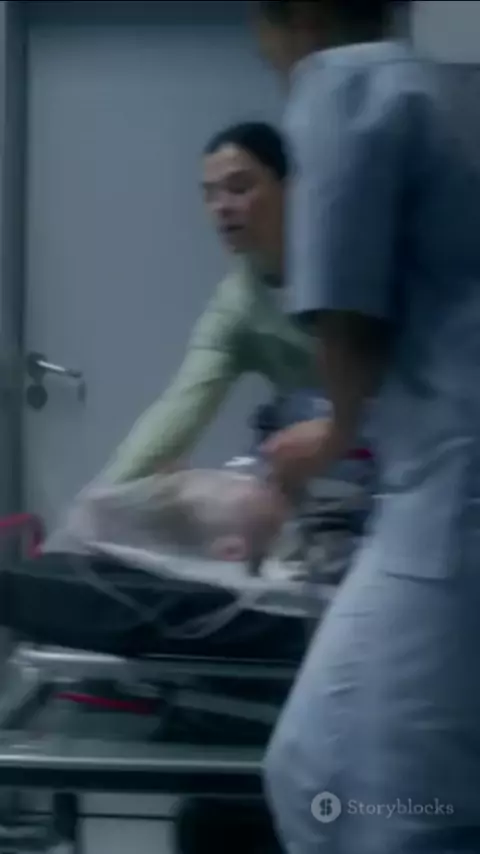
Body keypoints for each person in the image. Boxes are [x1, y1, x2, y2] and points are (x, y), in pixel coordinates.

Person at [251, 1, 480, 852]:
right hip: (443, 494)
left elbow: (346, 319)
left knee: (366, 797)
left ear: (298, 18)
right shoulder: (446, 90)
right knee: (315, 768)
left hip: (450, 508)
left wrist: (333, 433)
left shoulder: (343, 85)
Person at [102, 121, 317, 483]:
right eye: (210, 194)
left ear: (288, 187)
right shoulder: (239, 304)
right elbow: (181, 405)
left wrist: (338, 426)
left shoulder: (349, 264)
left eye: (239, 188)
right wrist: (100, 500)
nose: (221, 207)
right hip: (323, 469)